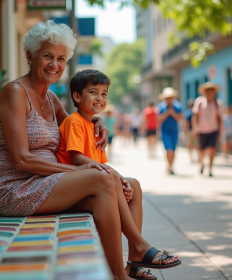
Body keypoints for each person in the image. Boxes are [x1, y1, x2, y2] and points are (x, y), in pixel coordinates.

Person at [0, 21, 180, 280]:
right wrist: (77, 168)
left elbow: (77, 121)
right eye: (47, 56)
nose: (54, 64)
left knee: (130, 186)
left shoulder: (50, 98)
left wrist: (99, 120)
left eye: (61, 58)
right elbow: (22, 160)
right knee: (102, 177)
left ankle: (132, 263)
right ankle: (134, 256)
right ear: (30, 56)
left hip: (47, 183)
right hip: (17, 188)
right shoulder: (15, 92)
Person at [57, 69, 159, 278]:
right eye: (93, 92)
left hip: (91, 183)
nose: (100, 98)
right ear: (77, 96)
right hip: (71, 187)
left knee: (134, 185)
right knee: (114, 179)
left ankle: (134, 261)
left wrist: (122, 181)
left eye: (104, 94)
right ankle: (140, 245)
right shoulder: (74, 121)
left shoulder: (96, 126)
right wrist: (116, 178)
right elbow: (77, 159)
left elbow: (101, 165)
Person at [192, 82, 222, 177]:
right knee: (202, 150)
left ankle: (210, 168)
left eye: (211, 91)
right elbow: (195, 116)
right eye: (208, 91)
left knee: (212, 148)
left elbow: (219, 118)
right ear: (204, 92)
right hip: (202, 130)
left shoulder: (217, 103)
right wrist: (195, 128)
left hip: (213, 129)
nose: (210, 93)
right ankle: (202, 164)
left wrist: (220, 130)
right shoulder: (199, 102)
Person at [157, 87, 182, 174]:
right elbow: (158, 119)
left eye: (170, 97)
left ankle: (171, 166)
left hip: (174, 131)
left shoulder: (178, 106)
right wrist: (167, 113)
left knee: (173, 150)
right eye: (167, 98)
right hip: (165, 132)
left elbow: (180, 118)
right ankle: (169, 166)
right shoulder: (161, 106)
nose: (169, 99)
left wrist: (173, 113)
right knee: (169, 149)